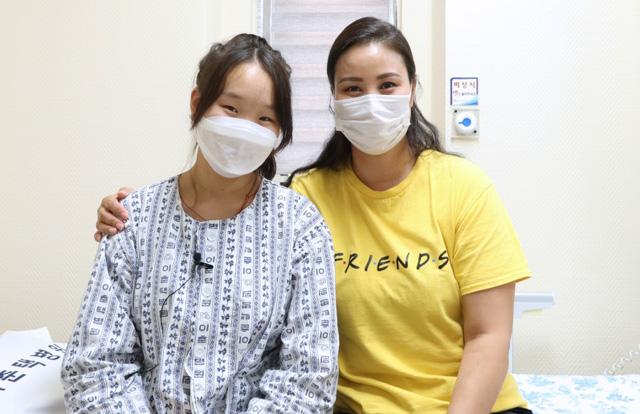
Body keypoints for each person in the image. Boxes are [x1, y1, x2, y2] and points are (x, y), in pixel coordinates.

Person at [94, 18, 532, 414]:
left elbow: (489, 336)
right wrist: (140, 212)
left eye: (388, 85)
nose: (371, 101)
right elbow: (232, 213)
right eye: (353, 88)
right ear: (334, 100)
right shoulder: (308, 197)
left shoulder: (463, 187)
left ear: (413, 90)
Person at [62, 34, 339, 414]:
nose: (245, 128)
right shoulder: (133, 219)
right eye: (231, 108)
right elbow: (94, 367)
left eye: (265, 118)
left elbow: (308, 380)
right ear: (197, 103)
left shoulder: (300, 228)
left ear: (279, 133)